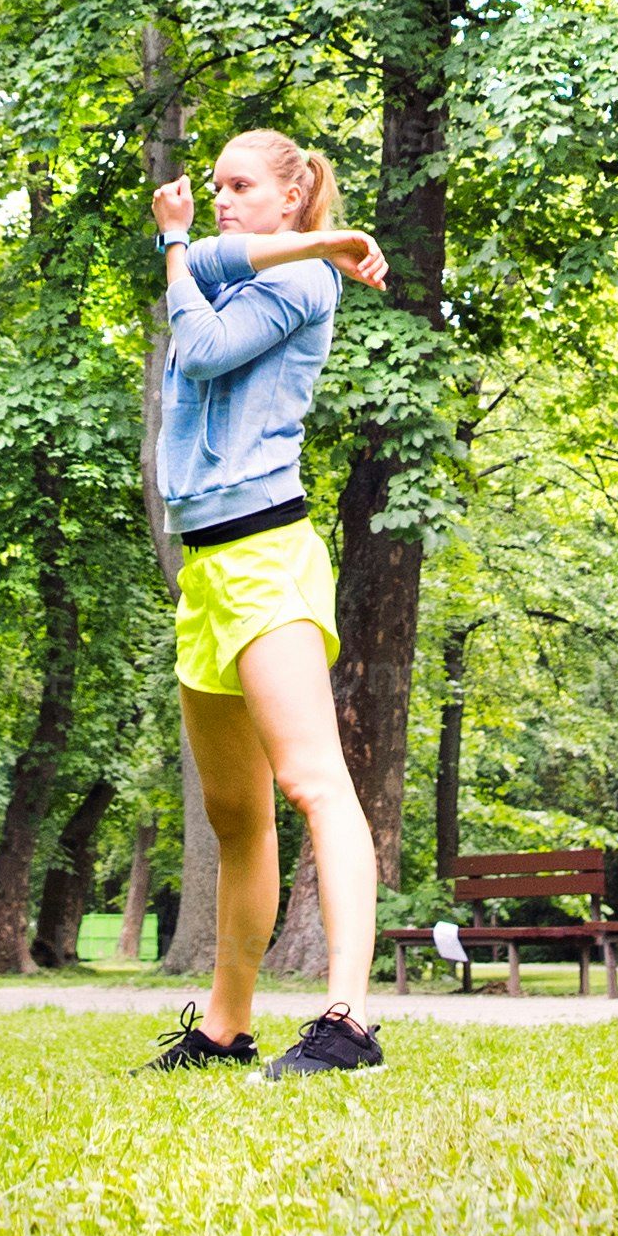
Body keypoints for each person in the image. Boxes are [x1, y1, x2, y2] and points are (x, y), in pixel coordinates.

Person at [146, 128, 392, 1079]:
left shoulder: (300, 285)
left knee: (312, 784)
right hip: (206, 574)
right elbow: (206, 257)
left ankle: (349, 1022)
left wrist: (186, 249)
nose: (219, 198)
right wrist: (200, 241)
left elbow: (202, 353)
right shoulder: (240, 266)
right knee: (235, 816)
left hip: (265, 556)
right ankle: (224, 1027)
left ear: (293, 197)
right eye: (214, 185)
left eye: (240, 185)